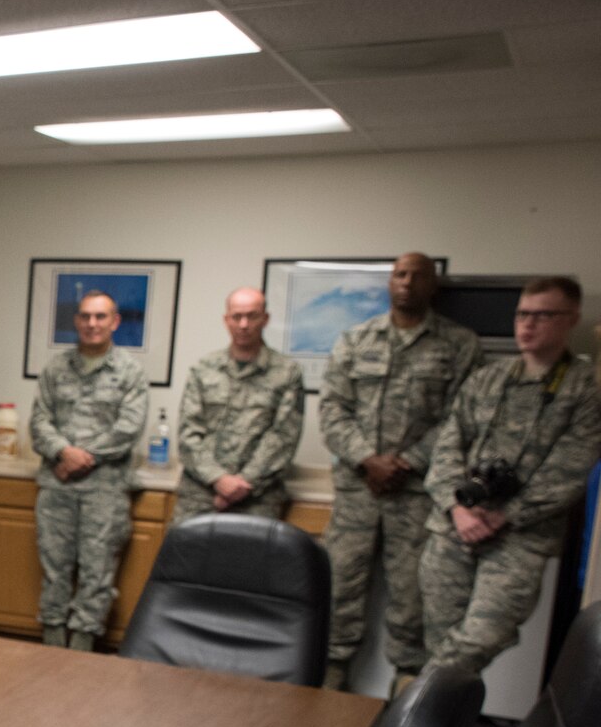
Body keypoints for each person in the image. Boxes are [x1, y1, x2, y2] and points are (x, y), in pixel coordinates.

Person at [419, 277, 601, 675]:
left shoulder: (586, 389)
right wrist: (457, 509)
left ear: (571, 319)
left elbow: (572, 469)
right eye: (522, 314)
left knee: (475, 644)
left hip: (520, 538)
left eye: (542, 315)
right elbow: (447, 448)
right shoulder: (486, 379)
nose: (527, 325)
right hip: (454, 527)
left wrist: (506, 514)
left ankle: (415, 716)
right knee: (439, 639)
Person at [319, 252, 482, 690]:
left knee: (412, 605)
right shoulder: (356, 339)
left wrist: (406, 461)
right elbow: (333, 408)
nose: (406, 282)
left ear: (432, 286)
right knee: (337, 594)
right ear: (389, 283)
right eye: (399, 274)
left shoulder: (458, 344)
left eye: (417, 276)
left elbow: (461, 419)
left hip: (414, 496)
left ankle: (402, 717)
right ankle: (327, 700)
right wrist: (367, 459)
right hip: (357, 493)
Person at [29, 290, 150, 652]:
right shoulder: (55, 368)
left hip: (105, 490)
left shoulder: (130, 371)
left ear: (115, 322)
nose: (91, 324)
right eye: (85, 316)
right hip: (57, 489)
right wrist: (62, 452)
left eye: (100, 317)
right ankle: (52, 644)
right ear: (76, 321)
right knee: (55, 570)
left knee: (97, 574)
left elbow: (128, 429)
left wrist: (80, 459)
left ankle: (81, 649)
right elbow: (39, 421)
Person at [172, 287, 306, 523]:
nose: (243, 324)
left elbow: (283, 437)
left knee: (247, 560)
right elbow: (188, 433)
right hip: (199, 495)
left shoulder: (287, 373)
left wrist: (242, 484)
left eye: (252, 316)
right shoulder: (204, 369)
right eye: (237, 316)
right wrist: (218, 479)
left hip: (256, 498)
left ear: (265, 319)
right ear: (226, 320)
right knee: (187, 559)